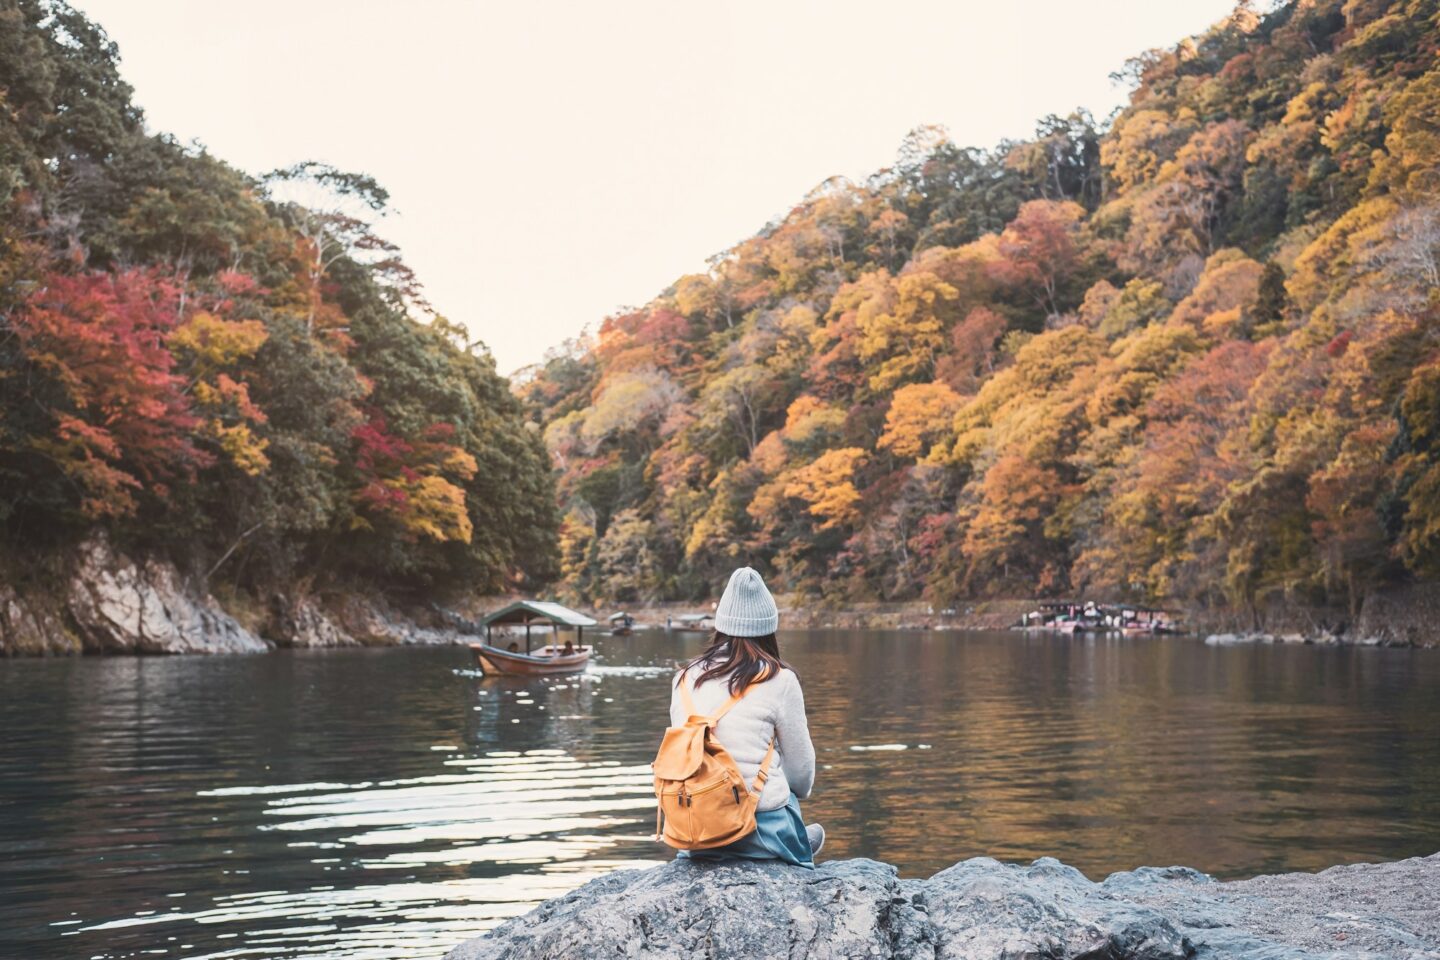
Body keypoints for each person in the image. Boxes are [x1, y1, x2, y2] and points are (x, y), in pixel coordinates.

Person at [670, 566, 822, 866]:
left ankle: (721, 842)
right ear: (769, 627)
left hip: (695, 832)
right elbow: (802, 778)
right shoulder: (781, 680)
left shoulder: (684, 679)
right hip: (760, 831)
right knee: (784, 786)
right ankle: (794, 838)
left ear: (721, 624)